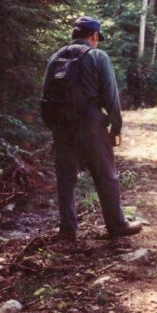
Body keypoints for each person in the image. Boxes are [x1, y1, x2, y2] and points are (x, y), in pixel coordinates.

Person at [42, 16, 143, 240]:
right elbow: (111, 97)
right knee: (106, 175)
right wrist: (115, 128)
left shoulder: (55, 58)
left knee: (66, 178)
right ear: (94, 36)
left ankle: (68, 229)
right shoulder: (98, 56)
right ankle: (117, 225)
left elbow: (45, 98)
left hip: (62, 126)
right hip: (91, 123)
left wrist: (55, 128)